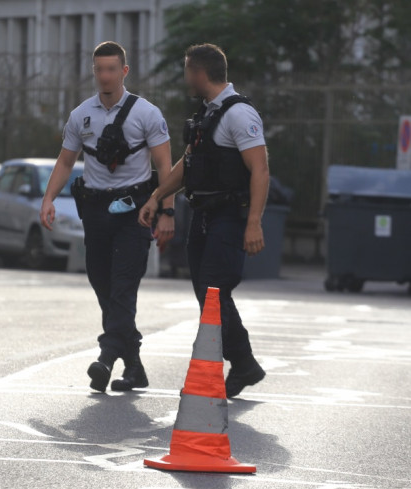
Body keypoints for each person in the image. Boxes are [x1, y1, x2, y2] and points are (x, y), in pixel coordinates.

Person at [40, 41, 175, 393]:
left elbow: (165, 167)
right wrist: (48, 198)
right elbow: (66, 161)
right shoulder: (81, 115)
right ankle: (135, 367)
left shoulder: (147, 113)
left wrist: (167, 211)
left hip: (136, 213)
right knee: (103, 286)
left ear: (124, 71)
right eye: (99, 70)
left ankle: (106, 357)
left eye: (112, 69)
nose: (105, 76)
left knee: (123, 286)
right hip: (97, 212)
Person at [138, 43, 269, 398]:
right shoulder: (208, 113)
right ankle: (243, 363)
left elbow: (260, 169)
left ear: (198, 73)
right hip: (204, 214)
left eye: (186, 71)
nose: (185, 78)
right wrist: (156, 197)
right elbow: (188, 165)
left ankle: (233, 366)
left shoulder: (239, 114)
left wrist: (253, 222)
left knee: (213, 291)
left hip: (229, 216)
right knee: (206, 293)